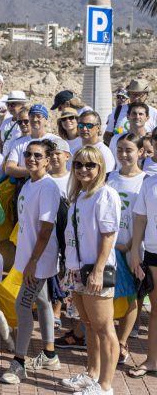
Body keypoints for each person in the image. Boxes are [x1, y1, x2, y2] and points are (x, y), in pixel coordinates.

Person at [0, 139, 62, 385]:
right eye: (28, 154)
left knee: (22, 307)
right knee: (43, 302)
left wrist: (34, 261)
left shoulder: (47, 187)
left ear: (47, 160)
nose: (32, 158)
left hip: (39, 260)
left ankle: (19, 363)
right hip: (29, 258)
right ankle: (50, 354)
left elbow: (46, 229)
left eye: (38, 155)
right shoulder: (28, 184)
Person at [60, 146, 120, 395]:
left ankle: (106, 385)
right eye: (78, 164)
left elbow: (108, 235)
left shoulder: (104, 194)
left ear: (100, 168)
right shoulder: (78, 197)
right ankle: (92, 374)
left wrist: (97, 270)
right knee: (88, 324)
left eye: (90, 165)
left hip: (95, 270)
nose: (83, 169)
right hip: (77, 270)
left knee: (105, 329)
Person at [106, 133, 146, 364]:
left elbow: (145, 217)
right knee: (107, 298)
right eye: (120, 149)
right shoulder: (110, 177)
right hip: (109, 249)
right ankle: (109, 340)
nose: (123, 154)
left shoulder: (146, 180)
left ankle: (122, 342)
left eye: (129, 150)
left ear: (141, 152)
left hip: (133, 250)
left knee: (132, 297)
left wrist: (129, 245)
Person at [129, 149, 157, 381]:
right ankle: (152, 361)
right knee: (156, 309)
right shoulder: (150, 183)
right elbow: (140, 218)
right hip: (153, 252)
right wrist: (135, 252)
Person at [5, 104, 60, 180]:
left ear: (45, 119)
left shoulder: (55, 140)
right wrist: (33, 170)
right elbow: (9, 168)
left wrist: (30, 170)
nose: (34, 119)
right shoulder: (18, 142)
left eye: (38, 116)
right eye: (32, 116)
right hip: (26, 184)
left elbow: (56, 166)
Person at [104, 79, 157, 144]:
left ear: (146, 95)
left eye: (140, 95)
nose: (136, 98)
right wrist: (119, 147)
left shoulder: (154, 113)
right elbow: (107, 135)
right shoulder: (118, 110)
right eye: (133, 95)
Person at [108, 102, 149, 169]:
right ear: (127, 116)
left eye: (141, 114)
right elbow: (111, 164)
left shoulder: (152, 140)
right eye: (134, 113)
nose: (137, 117)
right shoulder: (116, 138)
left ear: (147, 118)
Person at [0, 90, 28, 154]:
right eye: (8, 104)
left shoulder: (26, 123)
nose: (10, 107)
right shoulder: (5, 121)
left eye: (13, 104)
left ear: (22, 105)